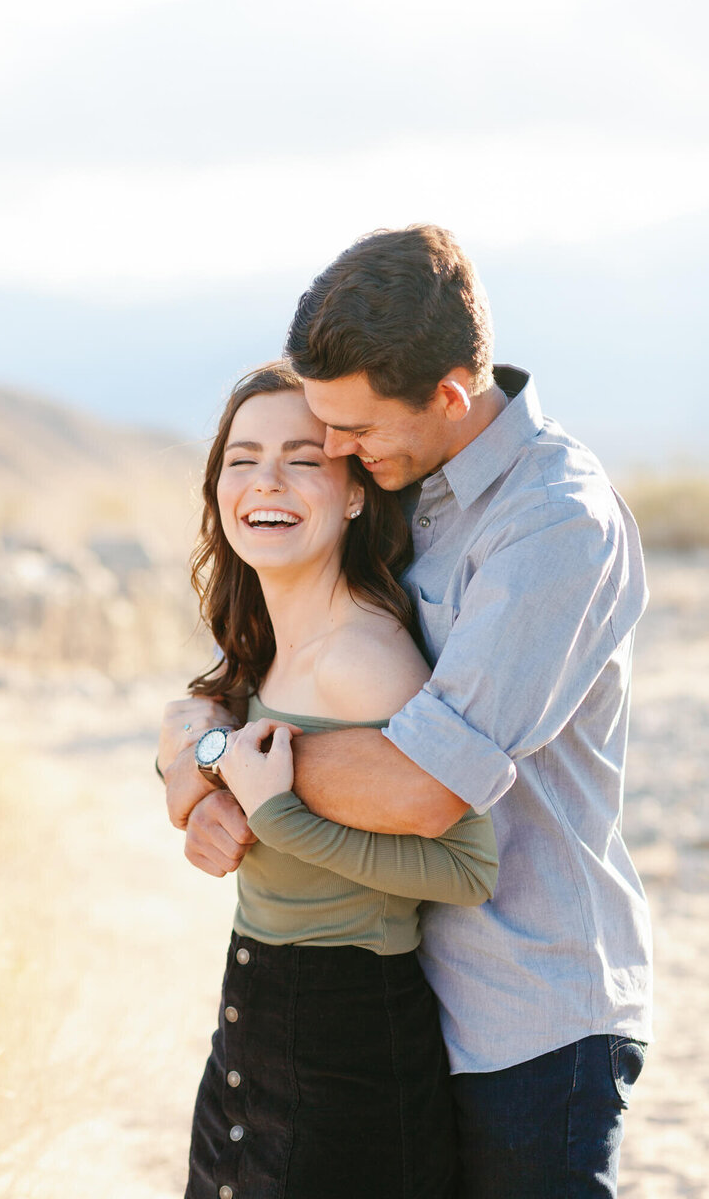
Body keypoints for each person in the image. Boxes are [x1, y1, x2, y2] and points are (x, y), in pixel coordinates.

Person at [160, 226, 653, 1199]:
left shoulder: (550, 521)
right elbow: (257, 671)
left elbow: (424, 788)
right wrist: (193, 736)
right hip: (409, 994)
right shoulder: (411, 483)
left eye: (352, 430)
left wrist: (224, 761)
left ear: (446, 397)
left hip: (529, 1013)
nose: (333, 450)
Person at [175, 360, 498, 1199]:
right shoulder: (267, 644)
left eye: (303, 458)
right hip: (251, 1023)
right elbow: (201, 735)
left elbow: (469, 867)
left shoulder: (363, 660)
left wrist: (277, 817)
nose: (265, 481)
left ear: (354, 493)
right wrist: (195, 769)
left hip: (350, 1046)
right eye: (241, 459)